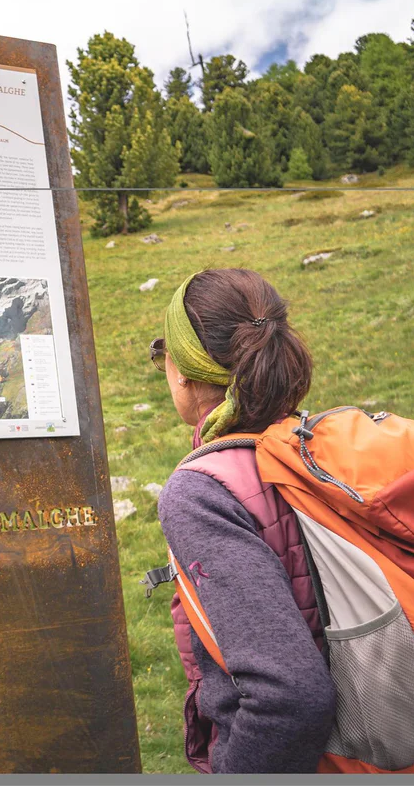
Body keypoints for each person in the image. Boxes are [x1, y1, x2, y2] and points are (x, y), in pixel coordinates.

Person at [152, 269, 336, 773]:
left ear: (183, 369)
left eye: (161, 351)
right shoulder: (320, 444)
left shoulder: (202, 490)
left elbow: (289, 698)